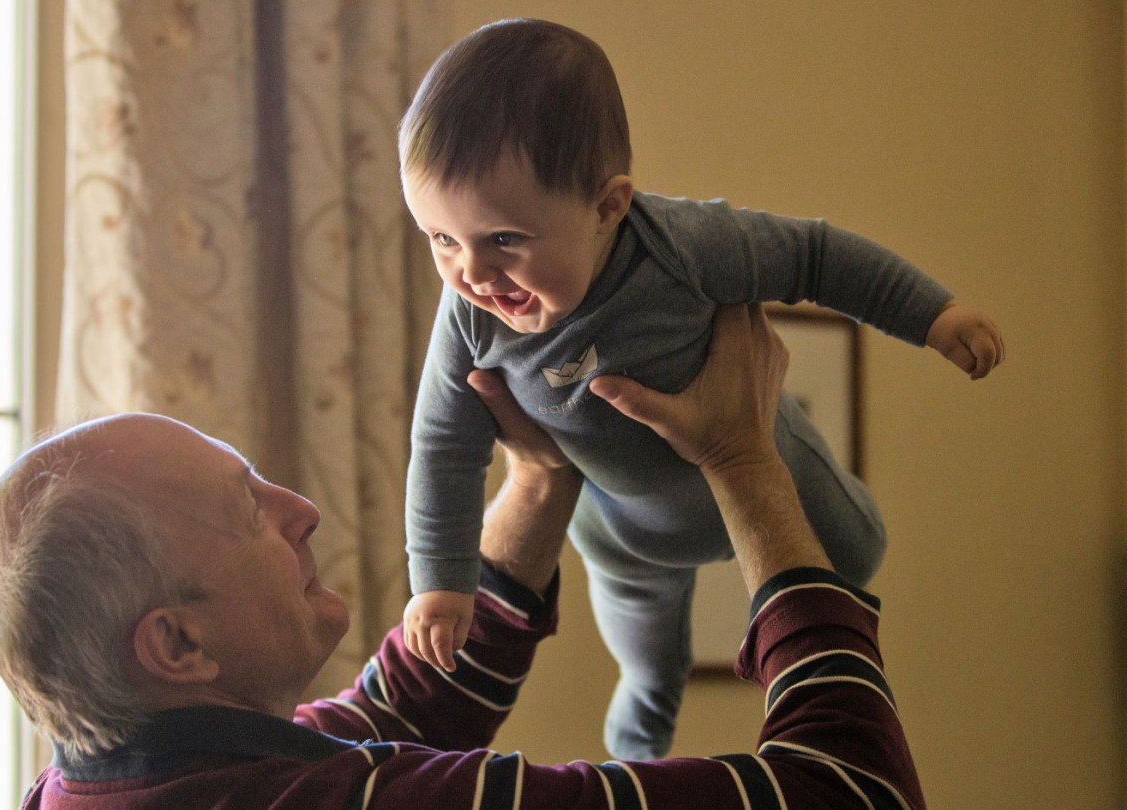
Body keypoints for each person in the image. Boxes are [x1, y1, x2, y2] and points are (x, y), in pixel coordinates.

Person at [0, 304, 927, 809]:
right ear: (177, 646)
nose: (301, 511)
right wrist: (745, 461)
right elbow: (851, 794)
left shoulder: (117, 779)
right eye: (248, 510)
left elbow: (404, 707)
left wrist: (539, 476)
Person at [398, 17, 1004, 759]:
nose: (473, 274)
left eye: (504, 240)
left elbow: (816, 256)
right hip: (625, 534)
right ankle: (638, 756)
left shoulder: (682, 246)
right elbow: (442, 448)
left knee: (858, 553)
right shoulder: (468, 318)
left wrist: (934, 315)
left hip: (765, 459)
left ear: (607, 207)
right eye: (441, 239)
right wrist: (441, 582)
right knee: (650, 667)